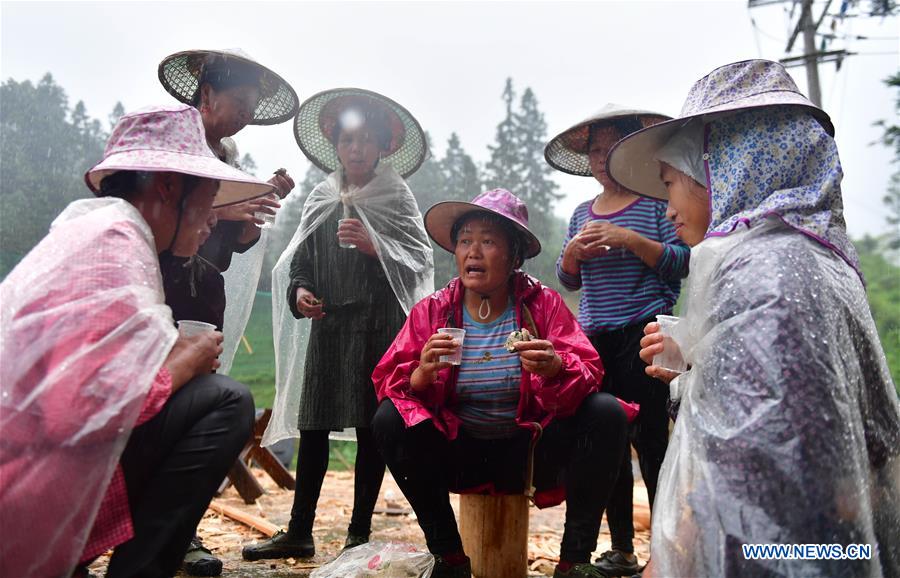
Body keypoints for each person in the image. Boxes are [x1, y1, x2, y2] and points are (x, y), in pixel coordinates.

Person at [605, 59, 900, 577]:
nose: (668, 209)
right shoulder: (814, 256)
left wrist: (675, 553)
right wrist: (697, 357)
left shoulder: (761, 268)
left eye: (672, 183)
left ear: (726, 167)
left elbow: (753, 458)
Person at [0, 104, 274, 578]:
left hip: (26, 474)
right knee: (225, 401)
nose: (212, 216)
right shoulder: (115, 243)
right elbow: (75, 408)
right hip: (22, 497)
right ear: (169, 186)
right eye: (209, 194)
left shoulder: (97, 229)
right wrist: (181, 365)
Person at [371, 188, 639, 578]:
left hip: (529, 455)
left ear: (514, 257)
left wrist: (555, 367)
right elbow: (389, 384)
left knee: (607, 412)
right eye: (465, 241)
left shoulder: (542, 305)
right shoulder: (433, 311)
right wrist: (422, 374)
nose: (473, 251)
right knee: (387, 419)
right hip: (459, 452)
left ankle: (573, 562)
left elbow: (589, 371)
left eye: (488, 241)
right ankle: (449, 558)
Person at [242, 88, 434, 561]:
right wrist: (299, 293)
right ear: (336, 145)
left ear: (382, 147)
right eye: (348, 140)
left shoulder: (396, 196)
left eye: (365, 140)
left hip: (378, 324)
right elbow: (301, 259)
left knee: (372, 428)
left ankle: (358, 533)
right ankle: (299, 531)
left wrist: (375, 245)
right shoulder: (323, 195)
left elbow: (419, 260)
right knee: (314, 425)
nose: (356, 149)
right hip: (329, 325)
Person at [158, 48, 298, 574]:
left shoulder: (228, 158)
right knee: (159, 409)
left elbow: (222, 249)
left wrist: (253, 211)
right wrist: (224, 208)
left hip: (201, 297)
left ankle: (184, 533)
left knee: (196, 412)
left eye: (250, 106)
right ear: (208, 94)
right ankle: (152, 530)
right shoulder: (168, 147)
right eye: (238, 103)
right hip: (161, 299)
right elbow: (161, 221)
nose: (242, 115)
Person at [546, 105, 689, 577]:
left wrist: (629, 239)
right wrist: (571, 252)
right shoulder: (581, 214)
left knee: (652, 443)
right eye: (594, 151)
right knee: (606, 440)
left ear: (632, 153)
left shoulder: (654, 204)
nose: (602, 158)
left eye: (612, 149)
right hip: (595, 340)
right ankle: (623, 549)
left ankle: (663, 550)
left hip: (646, 332)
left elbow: (681, 261)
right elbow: (569, 280)